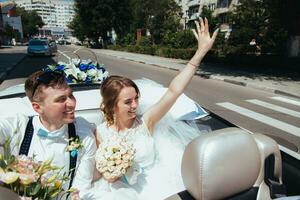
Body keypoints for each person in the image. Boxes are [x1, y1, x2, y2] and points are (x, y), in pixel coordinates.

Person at [89, 18, 218, 200]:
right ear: (111, 105)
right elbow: (95, 173)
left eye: (136, 99)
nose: (135, 105)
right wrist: (110, 174)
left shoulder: (147, 121)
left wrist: (200, 53)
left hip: (158, 185)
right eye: (127, 102)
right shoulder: (100, 133)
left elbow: (173, 91)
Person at [0, 70, 97, 199]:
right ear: (38, 108)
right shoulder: (18, 127)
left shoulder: (83, 134)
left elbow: (81, 188)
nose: (72, 104)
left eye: (71, 95)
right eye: (61, 99)